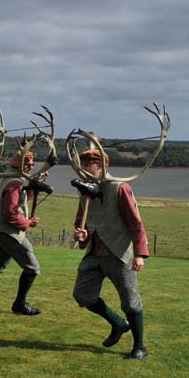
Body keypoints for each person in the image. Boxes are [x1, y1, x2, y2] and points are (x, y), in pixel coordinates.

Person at [72, 149, 150, 360]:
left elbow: (135, 223)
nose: (83, 170)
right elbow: (81, 221)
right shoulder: (85, 191)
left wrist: (140, 254)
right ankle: (117, 323)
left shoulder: (120, 188)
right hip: (93, 253)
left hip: (119, 254)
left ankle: (139, 346)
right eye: (82, 165)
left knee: (130, 302)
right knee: (82, 294)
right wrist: (82, 235)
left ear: (101, 166)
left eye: (87, 165)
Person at [0, 151, 42, 315]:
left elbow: (23, 199)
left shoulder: (8, 178)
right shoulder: (15, 183)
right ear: (21, 165)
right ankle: (19, 304)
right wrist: (28, 222)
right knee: (32, 269)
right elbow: (10, 214)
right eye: (29, 164)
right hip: (10, 233)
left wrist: (35, 185)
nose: (32, 166)